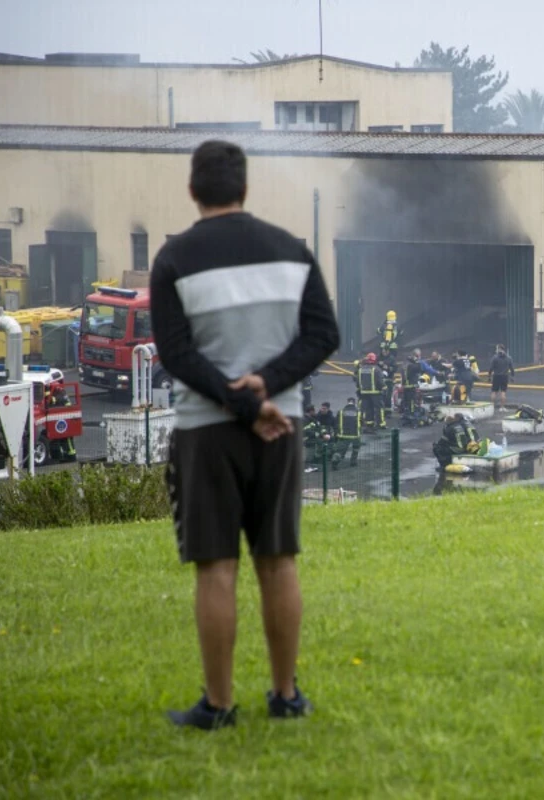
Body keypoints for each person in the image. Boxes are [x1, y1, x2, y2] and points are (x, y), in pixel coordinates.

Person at [151, 139, 339, 730]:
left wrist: (235, 401)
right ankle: (285, 695)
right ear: (245, 189)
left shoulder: (172, 261)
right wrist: (266, 389)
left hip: (206, 431)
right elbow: (323, 335)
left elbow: (176, 355)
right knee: (279, 562)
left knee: (216, 567)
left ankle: (220, 705)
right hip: (279, 427)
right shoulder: (292, 251)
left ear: (192, 191)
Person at [356, 352, 386, 432]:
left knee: (368, 409)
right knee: (379, 408)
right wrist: (384, 387)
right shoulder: (376, 369)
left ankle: (369, 424)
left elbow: (357, 381)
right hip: (375, 393)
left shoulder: (361, 369)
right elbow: (379, 381)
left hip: (364, 393)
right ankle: (381, 424)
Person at [333, 396, 361, 468]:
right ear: (354, 403)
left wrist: (336, 433)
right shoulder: (358, 412)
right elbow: (362, 422)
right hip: (355, 435)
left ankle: (335, 460)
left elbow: (336, 422)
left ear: (347, 402)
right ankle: (353, 462)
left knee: (340, 451)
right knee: (355, 449)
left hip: (343, 435)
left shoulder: (341, 411)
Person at [489, 344, 516, 412]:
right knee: (503, 392)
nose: (496, 350)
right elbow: (512, 368)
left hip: (496, 376)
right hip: (505, 376)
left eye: (496, 348)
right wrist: (512, 376)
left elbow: (491, 368)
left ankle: (492, 407)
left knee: (494, 392)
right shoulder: (509, 358)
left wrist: (489, 376)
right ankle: (502, 407)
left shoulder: (495, 358)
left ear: (499, 349)